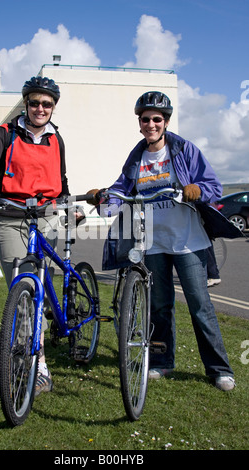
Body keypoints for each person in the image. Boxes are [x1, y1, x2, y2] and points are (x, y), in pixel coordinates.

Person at [89, 91, 235, 391]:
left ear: (165, 121)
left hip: (188, 242)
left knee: (200, 305)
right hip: (152, 242)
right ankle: (161, 361)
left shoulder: (183, 150)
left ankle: (219, 369)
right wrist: (104, 200)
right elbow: (120, 190)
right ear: (139, 122)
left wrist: (196, 190)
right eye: (146, 119)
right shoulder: (137, 156)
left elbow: (213, 186)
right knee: (159, 306)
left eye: (157, 119)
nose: (151, 124)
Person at [0, 76, 70, 396]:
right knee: (24, 285)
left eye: (47, 104)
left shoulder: (57, 138)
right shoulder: (6, 133)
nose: (40, 109)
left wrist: (69, 205)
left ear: (53, 107)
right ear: (26, 103)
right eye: (34, 103)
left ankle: (49, 318)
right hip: (11, 218)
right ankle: (38, 363)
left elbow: (62, 178)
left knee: (43, 281)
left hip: (46, 218)